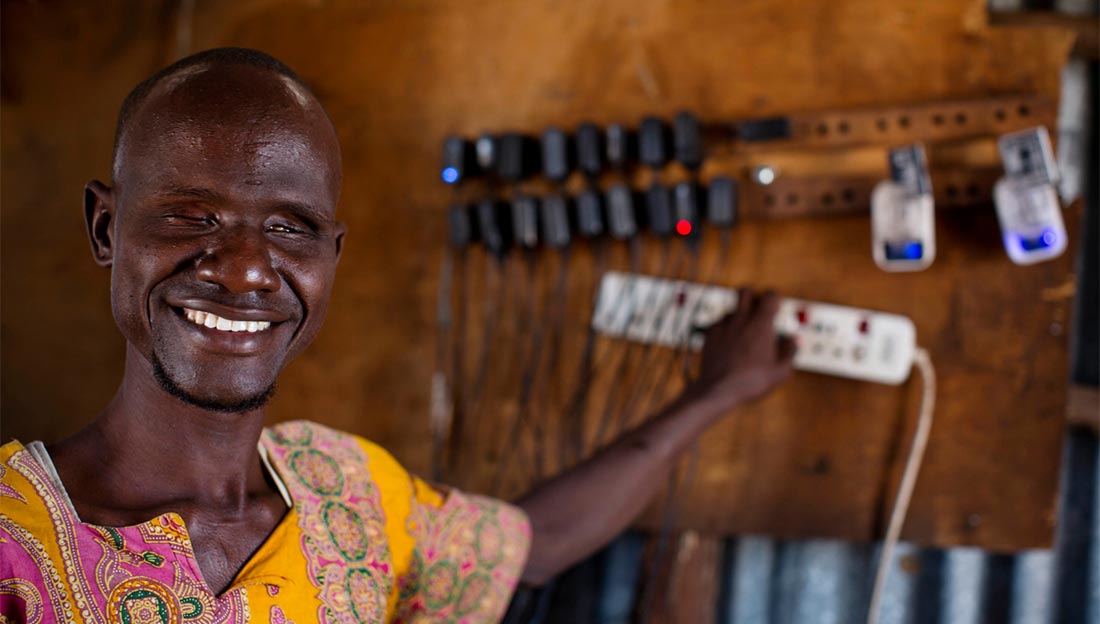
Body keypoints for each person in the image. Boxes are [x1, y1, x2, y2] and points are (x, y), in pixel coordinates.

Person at [0, 48, 794, 623]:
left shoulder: (349, 490)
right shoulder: (12, 530)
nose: (246, 269)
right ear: (107, 228)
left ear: (330, 259)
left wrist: (718, 391)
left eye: (291, 227)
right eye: (191, 216)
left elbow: (536, 544)